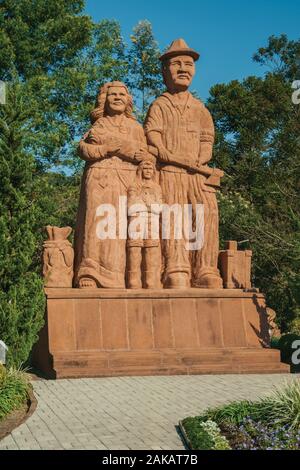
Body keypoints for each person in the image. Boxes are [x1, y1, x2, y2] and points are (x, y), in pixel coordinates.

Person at [144, 39, 222, 288]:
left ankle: (205, 269)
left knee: (206, 215)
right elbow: (152, 137)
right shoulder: (160, 105)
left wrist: (200, 159)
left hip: (197, 175)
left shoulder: (200, 108)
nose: (183, 69)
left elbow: (207, 139)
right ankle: (175, 268)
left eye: (188, 64)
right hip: (169, 172)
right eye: (176, 63)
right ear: (165, 70)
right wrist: (170, 155)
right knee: (173, 216)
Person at [74, 81, 149, 288]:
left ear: (128, 101)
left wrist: (127, 149)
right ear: (104, 100)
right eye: (112, 94)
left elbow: (143, 155)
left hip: (127, 181)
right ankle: (91, 272)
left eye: (121, 95)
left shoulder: (135, 127)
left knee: (122, 228)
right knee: (96, 223)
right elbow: (83, 149)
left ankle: (123, 276)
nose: (117, 97)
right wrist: (106, 148)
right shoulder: (98, 125)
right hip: (100, 178)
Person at [127, 157, 162, 289]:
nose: (148, 171)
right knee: (135, 248)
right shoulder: (134, 186)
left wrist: (147, 205)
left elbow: (159, 207)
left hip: (152, 220)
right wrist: (148, 206)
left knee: (151, 248)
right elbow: (131, 205)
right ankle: (133, 279)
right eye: (145, 168)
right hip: (136, 219)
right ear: (140, 170)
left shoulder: (156, 187)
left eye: (150, 169)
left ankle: (150, 280)